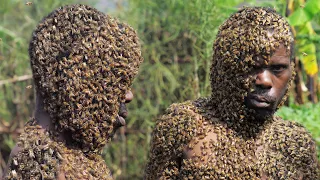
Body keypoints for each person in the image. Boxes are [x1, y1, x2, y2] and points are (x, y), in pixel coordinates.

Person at [144, 7, 319, 179]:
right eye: (250, 67)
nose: (264, 81)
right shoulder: (184, 127)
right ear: (223, 68)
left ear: (292, 71)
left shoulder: (297, 145)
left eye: (278, 68)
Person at [3, 4, 143, 180]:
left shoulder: (71, 159)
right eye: (116, 80)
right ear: (75, 81)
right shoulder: (43, 163)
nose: (129, 95)